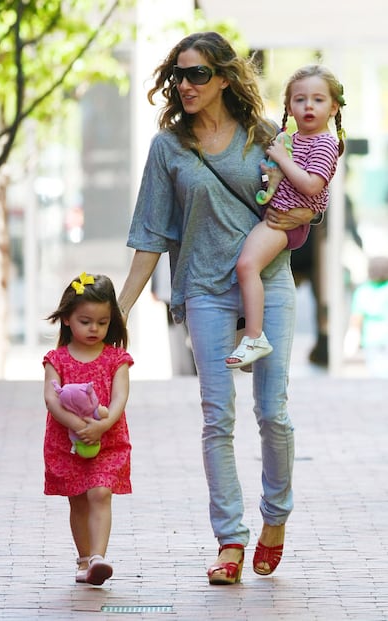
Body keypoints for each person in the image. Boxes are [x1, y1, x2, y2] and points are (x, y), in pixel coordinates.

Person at [118, 31, 315, 584]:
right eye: (179, 75)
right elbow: (149, 238)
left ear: (225, 78)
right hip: (204, 285)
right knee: (216, 416)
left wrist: (292, 215)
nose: (186, 84)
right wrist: (121, 311)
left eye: (198, 74)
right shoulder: (168, 148)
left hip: (269, 283)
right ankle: (230, 539)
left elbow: (307, 203)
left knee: (272, 411)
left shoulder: (266, 137)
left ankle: (275, 518)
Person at [226, 64, 346, 369]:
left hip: (283, 223)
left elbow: (311, 184)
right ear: (289, 107)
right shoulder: (292, 138)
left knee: (246, 265)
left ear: (333, 107)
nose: (308, 106)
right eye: (300, 99)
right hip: (277, 215)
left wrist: (281, 158)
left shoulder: (325, 143)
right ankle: (248, 332)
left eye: (318, 100)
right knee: (245, 267)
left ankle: (254, 335)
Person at [43, 272, 133, 585]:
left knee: (100, 492)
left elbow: (121, 396)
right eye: (85, 321)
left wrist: (103, 425)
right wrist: (78, 426)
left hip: (107, 440)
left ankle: (98, 556)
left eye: (102, 322)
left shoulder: (116, 358)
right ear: (67, 318)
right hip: (66, 442)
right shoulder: (56, 359)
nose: (94, 329)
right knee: (78, 498)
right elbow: (52, 400)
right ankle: (84, 561)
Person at [344, 256, 388, 377]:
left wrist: (351, 342)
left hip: (371, 340)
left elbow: (356, 320)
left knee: (377, 373)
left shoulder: (363, 292)